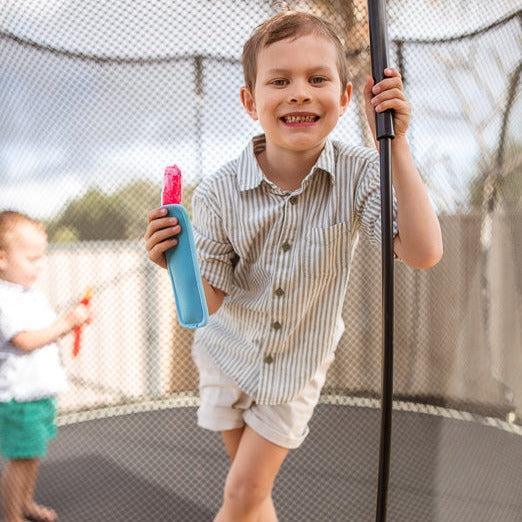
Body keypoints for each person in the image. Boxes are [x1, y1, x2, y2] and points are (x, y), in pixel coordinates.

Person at [144, 10, 442, 522]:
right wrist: (175, 261)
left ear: (347, 98)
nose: (300, 92)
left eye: (318, 78)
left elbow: (422, 251)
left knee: (240, 496)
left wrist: (397, 146)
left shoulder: (361, 173)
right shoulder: (217, 191)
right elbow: (208, 299)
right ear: (250, 101)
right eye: (279, 80)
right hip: (225, 354)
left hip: (294, 368)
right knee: (253, 496)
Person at [0, 211, 91, 522]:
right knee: (21, 459)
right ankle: (12, 516)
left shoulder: (30, 295)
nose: (40, 266)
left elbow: (47, 331)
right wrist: (66, 323)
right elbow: (24, 340)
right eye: (32, 258)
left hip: (38, 394)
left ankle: (26, 503)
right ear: (1, 258)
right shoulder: (3, 298)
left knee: (33, 455)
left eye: (41, 257)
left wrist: (70, 320)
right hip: (19, 399)